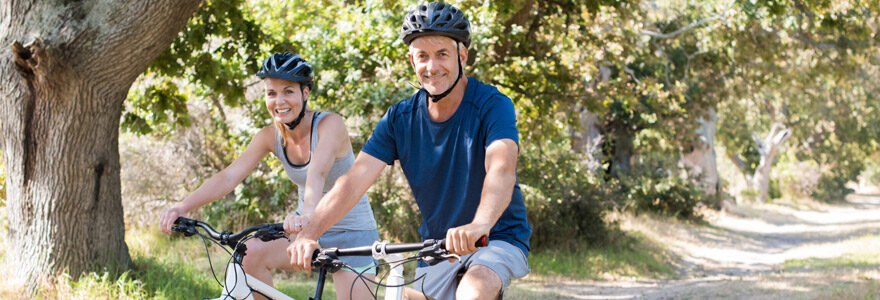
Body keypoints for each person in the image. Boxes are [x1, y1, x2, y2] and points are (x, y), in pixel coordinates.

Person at [287, 3, 531, 299]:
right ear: (412, 60)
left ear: (462, 55)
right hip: (438, 247)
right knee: (397, 296)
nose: (432, 66)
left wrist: (479, 224)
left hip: (495, 238)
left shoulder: (492, 105)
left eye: (442, 54)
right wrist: (309, 233)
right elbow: (352, 182)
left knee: (473, 291)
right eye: (422, 56)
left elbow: (501, 170)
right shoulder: (400, 119)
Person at [158, 53, 379, 300]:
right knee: (249, 252)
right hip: (302, 230)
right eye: (271, 93)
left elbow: (317, 172)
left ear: (305, 93)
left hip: (351, 235)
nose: (279, 101)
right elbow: (229, 176)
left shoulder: (330, 125)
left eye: (288, 91)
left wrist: (306, 217)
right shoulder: (268, 136)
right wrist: (183, 207)